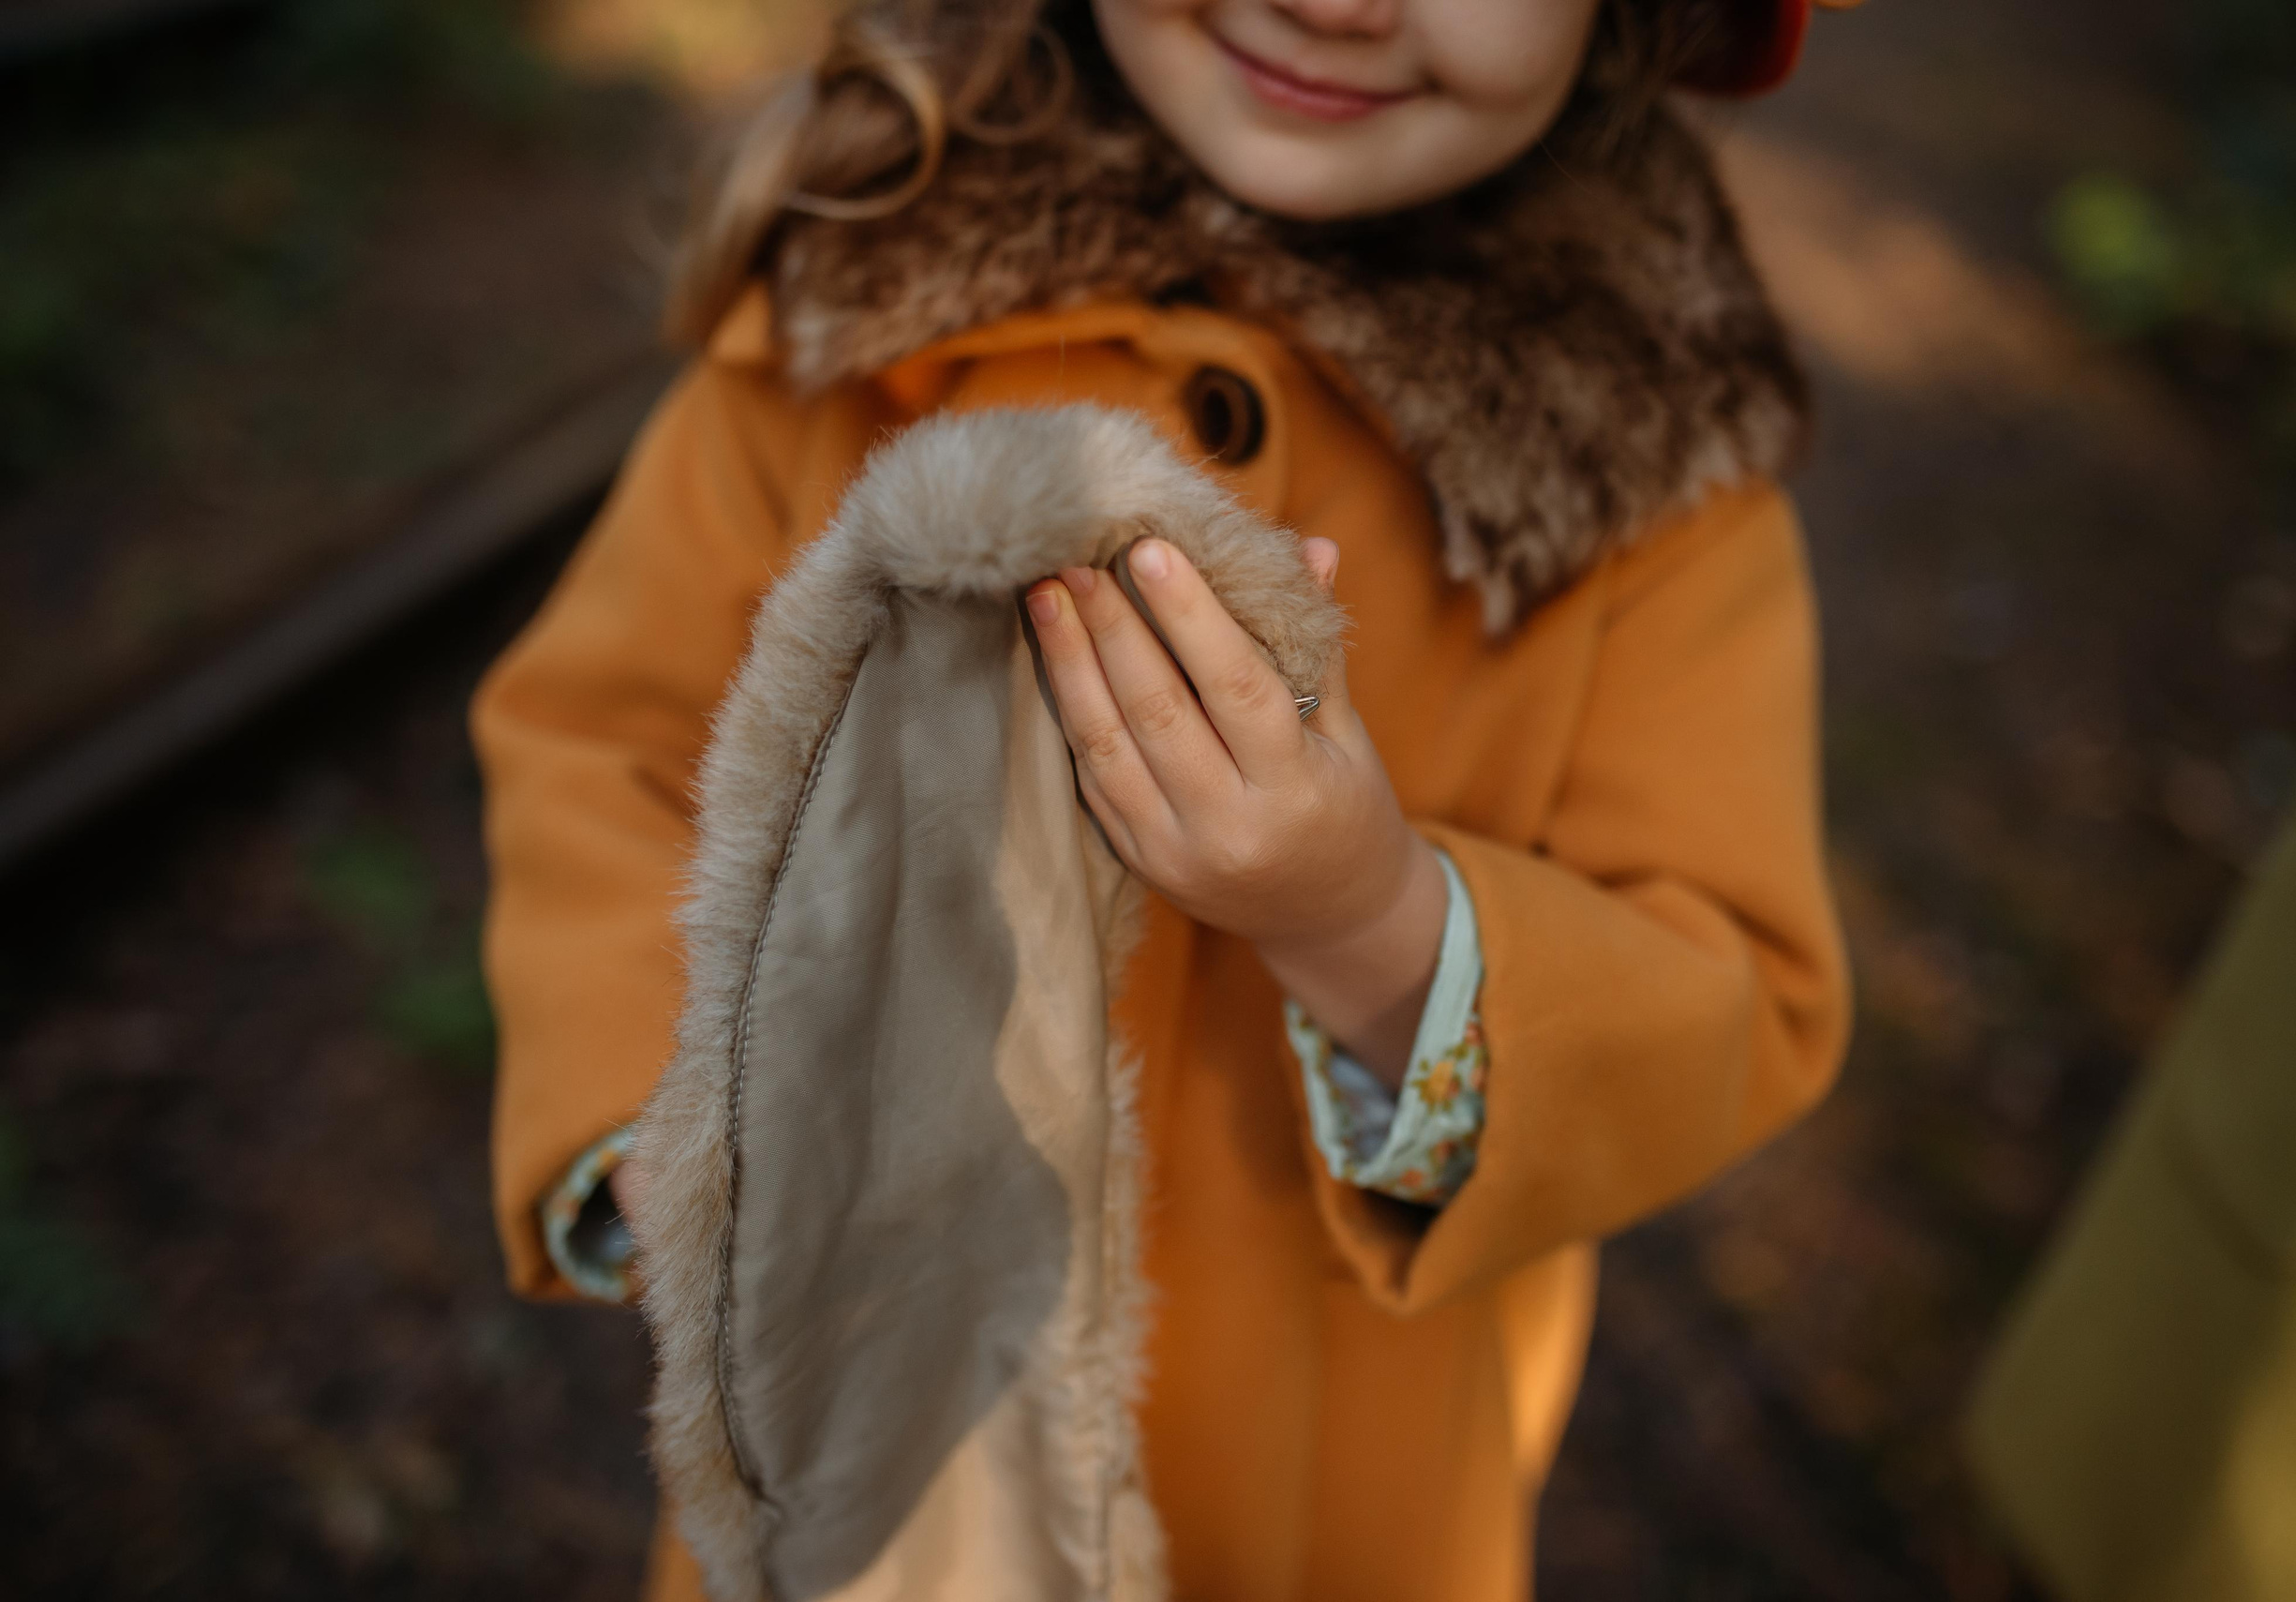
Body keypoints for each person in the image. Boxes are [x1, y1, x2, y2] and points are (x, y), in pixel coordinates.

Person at [470, 2, 1854, 1597]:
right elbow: (606, 742)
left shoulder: (1662, 486)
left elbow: (1734, 985)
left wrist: (1372, 921)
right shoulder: (867, 294)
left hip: (1318, 1523)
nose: (1339, 3)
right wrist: (668, 1132)